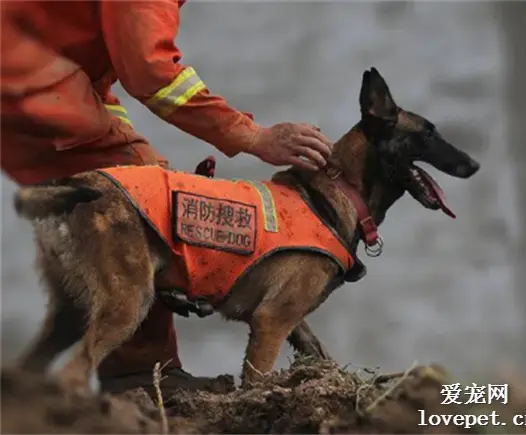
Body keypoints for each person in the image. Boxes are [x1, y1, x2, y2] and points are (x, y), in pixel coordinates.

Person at [1, 0, 333, 395]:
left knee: (136, 179)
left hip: (29, 68)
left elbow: (101, 66)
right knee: (143, 208)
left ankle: (38, 371)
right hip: (23, 75)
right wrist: (252, 136)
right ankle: (137, 373)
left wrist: (139, 154)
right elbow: (151, 71)